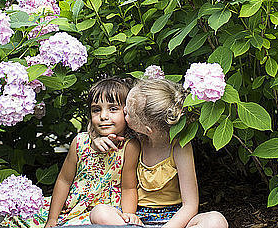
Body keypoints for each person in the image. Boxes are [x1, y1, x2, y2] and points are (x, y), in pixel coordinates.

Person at [90, 78, 228, 228]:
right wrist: (96, 141)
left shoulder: (179, 147)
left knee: (216, 220)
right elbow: (103, 133)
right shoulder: (134, 140)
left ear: (146, 129)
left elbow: (190, 206)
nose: (124, 113)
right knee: (99, 212)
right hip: (137, 220)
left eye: (128, 113)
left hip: (175, 219)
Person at [12, 77, 141, 228]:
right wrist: (52, 219)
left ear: (126, 112)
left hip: (102, 211)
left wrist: (128, 216)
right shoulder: (80, 142)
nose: (103, 116)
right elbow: (64, 181)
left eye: (113, 109)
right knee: (20, 213)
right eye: (96, 110)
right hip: (71, 207)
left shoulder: (128, 146)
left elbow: (128, 187)